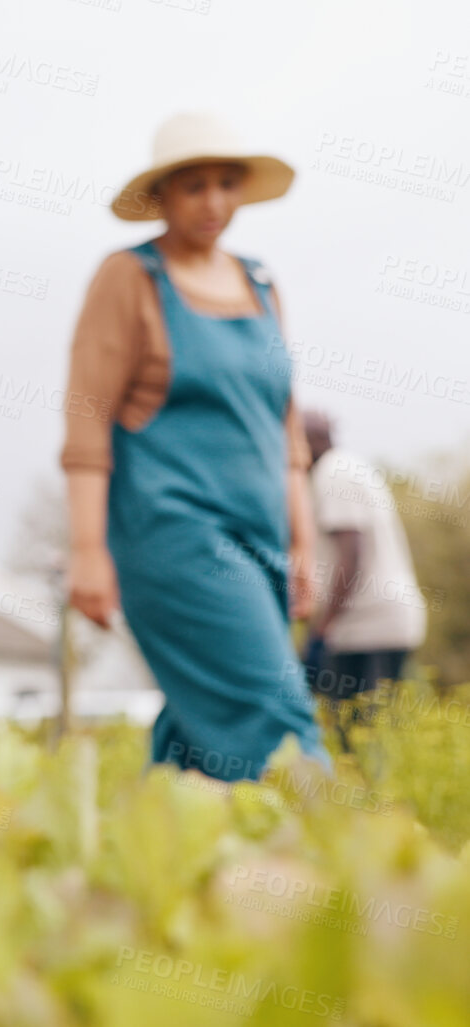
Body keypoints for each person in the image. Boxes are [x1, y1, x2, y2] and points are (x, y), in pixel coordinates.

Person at [62, 112, 327, 782]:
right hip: (175, 537)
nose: (212, 202)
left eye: (225, 184)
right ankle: (333, 867)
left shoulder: (260, 283)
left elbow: (284, 431)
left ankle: (146, 863)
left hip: (259, 534)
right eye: (192, 186)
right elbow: (87, 422)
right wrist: (88, 551)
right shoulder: (130, 277)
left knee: (199, 723)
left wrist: (302, 542)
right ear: (162, 196)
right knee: (272, 714)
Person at [300, 409, 425, 709]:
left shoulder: (334, 472)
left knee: (355, 737)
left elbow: (351, 557)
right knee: (360, 734)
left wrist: (322, 629)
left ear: (311, 439)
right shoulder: (347, 468)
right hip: (373, 624)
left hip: (367, 628)